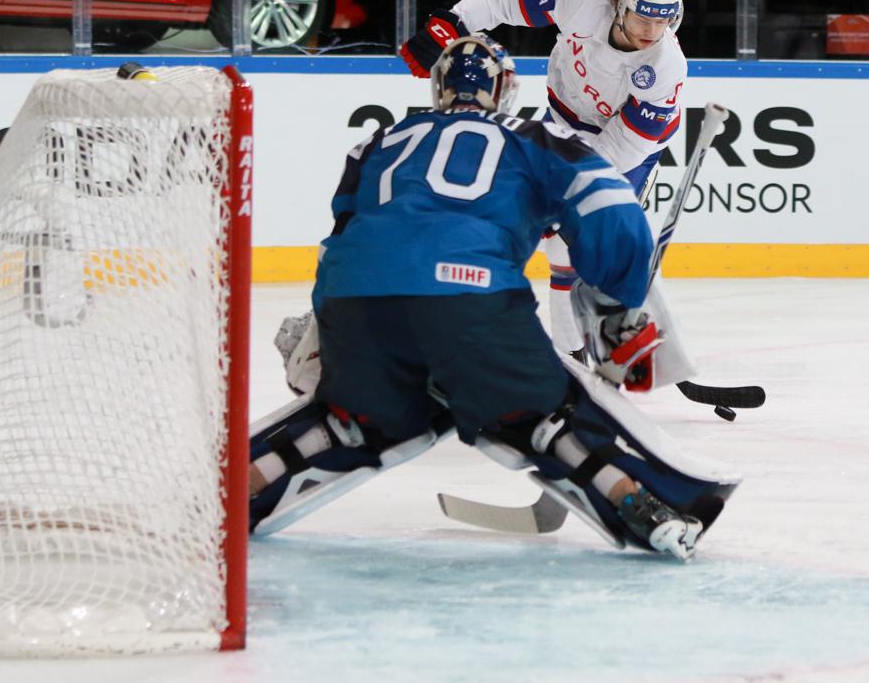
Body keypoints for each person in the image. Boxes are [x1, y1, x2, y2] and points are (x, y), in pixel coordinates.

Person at [249, 35, 737, 559]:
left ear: (439, 87)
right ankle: (646, 506)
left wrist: (327, 325)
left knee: (353, 420)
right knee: (545, 418)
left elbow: (344, 235)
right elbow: (609, 203)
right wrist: (620, 306)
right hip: (469, 296)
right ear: (504, 90)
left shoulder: (378, 142)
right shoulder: (532, 138)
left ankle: (232, 489)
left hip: (355, 301)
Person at [400, 0, 688, 363]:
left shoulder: (666, 65)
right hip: (563, 121)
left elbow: (627, 143)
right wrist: (454, 22)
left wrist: (565, 189)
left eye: (663, 21)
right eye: (643, 18)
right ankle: (571, 356)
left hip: (627, 146)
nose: (652, 32)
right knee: (549, 243)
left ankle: (588, 348)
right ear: (620, 3)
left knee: (577, 245)